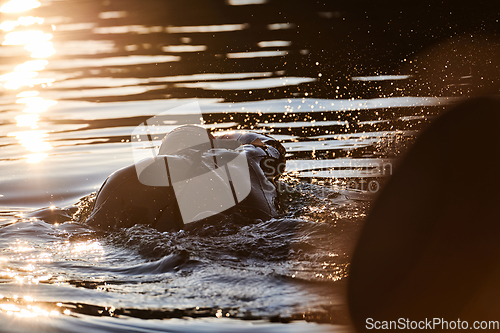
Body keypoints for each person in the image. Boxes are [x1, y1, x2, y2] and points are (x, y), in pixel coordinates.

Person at [85, 125, 286, 232]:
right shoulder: (245, 157)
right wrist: (223, 138)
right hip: (260, 228)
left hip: (187, 238)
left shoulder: (138, 173)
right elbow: (270, 145)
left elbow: (90, 232)